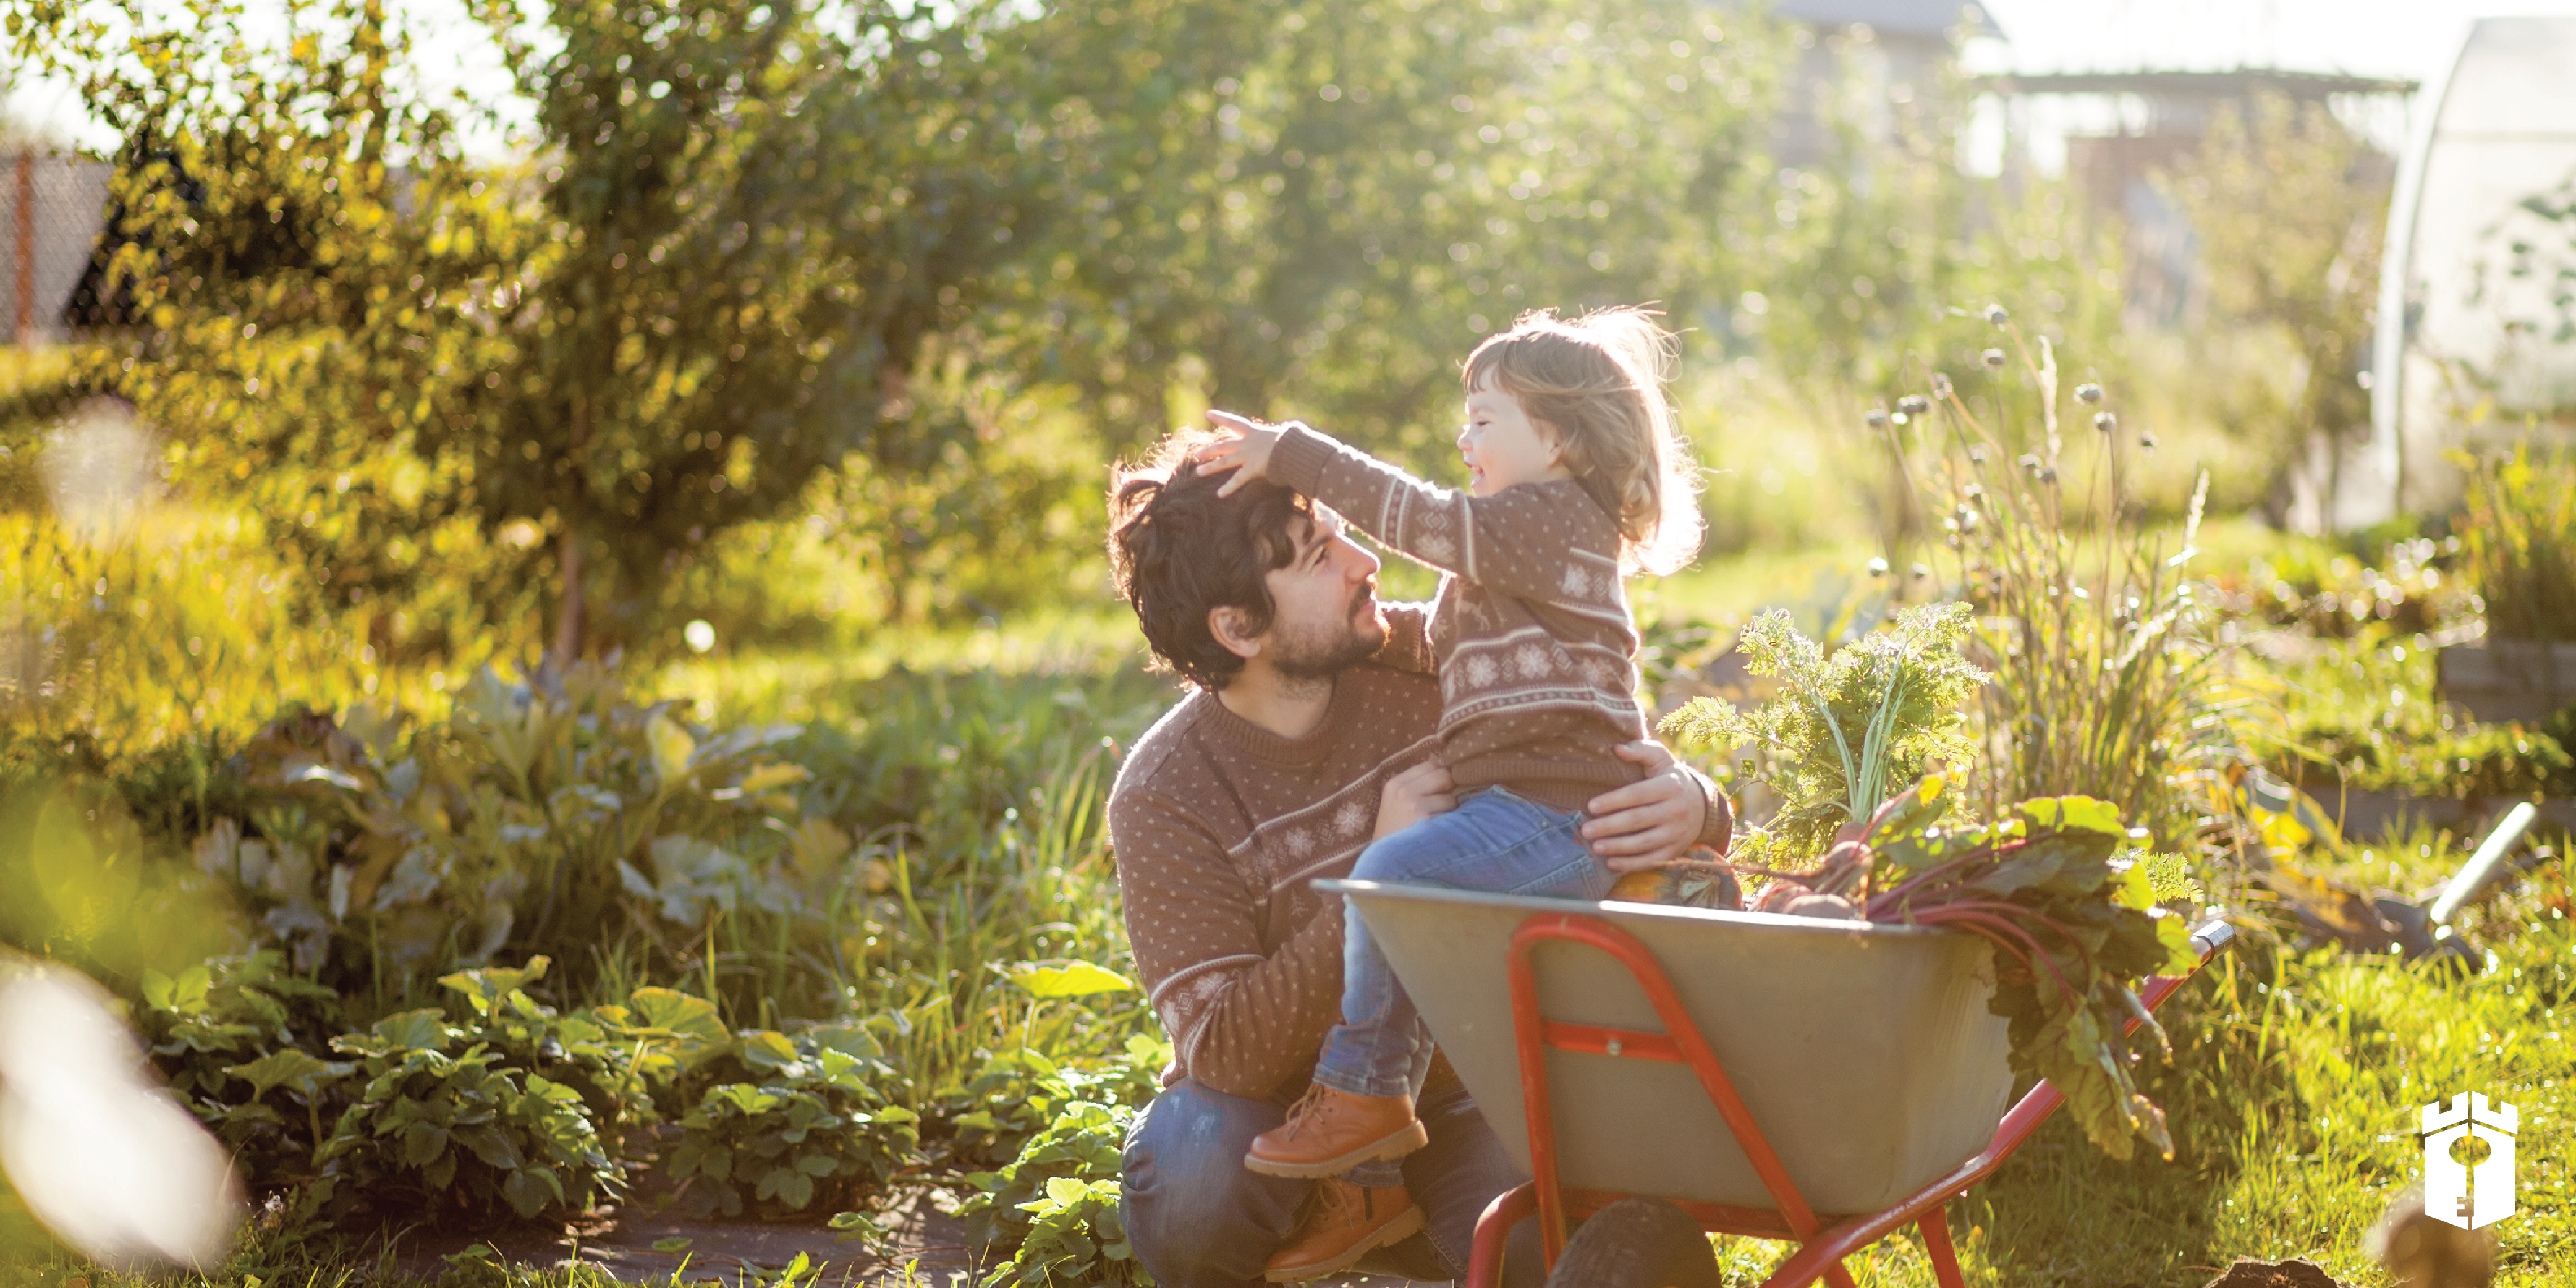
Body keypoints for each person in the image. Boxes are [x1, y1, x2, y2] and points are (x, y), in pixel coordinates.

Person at [1103, 427, 1730, 1286]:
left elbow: (1596, 759)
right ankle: (1323, 1235)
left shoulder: (1442, 663)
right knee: (1193, 1186)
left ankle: (1394, 1240)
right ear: (1239, 626)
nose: (1367, 563)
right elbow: (1228, 1049)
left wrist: (1697, 803)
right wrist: (1379, 868)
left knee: (1538, 1244)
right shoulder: (1167, 794)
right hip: (1276, 1116)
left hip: (1459, 1094)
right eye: (1321, 556)